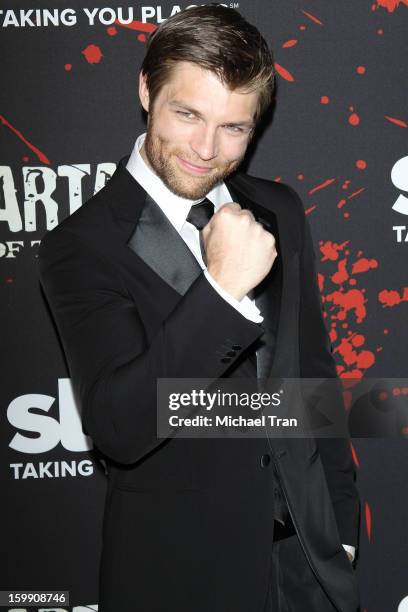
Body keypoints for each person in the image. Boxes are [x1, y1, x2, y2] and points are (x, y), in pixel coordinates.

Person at [38, 5, 360, 611]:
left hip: (309, 572)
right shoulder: (81, 247)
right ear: (145, 89)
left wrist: (341, 533)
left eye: (235, 127)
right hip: (182, 578)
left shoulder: (279, 210)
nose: (206, 149)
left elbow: (312, 379)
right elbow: (121, 428)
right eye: (187, 114)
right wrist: (220, 290)